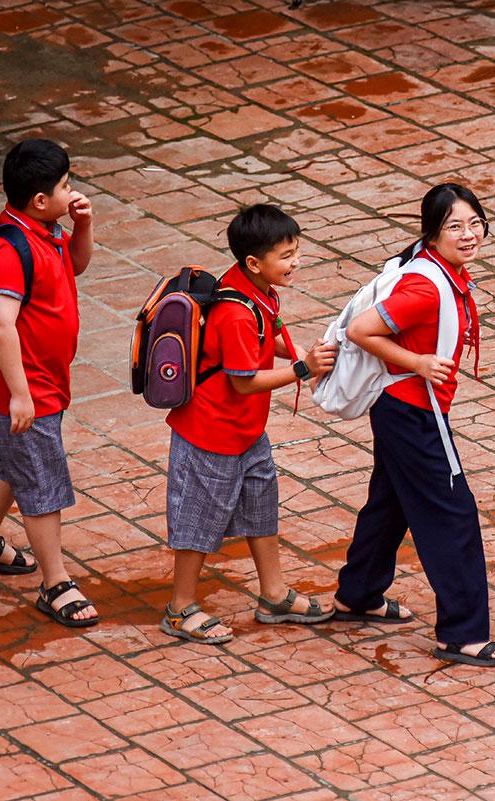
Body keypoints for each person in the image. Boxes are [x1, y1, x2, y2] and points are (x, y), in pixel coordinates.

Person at [334, 183, 495, 668]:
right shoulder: (425, 286)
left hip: (404, 411)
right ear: (432, 235)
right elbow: (361, 330)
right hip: (413, 413)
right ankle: (463, 633)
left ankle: (359, 594)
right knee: (452, 515)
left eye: (476, 223)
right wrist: (416, 362)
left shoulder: (442, 270)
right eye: (455, 226)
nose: (469, 234)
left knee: (391, 502)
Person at [160, 204, 336, 644]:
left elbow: (267, 339)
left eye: (296, 251)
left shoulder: (256, 288)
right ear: (255, 262)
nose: (295, 262)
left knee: (261, 504)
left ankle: (274, 594)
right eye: (286, 255)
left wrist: (305, 355)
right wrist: (302, 368)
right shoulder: (236, 311)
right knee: (199, 518)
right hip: (211, 432)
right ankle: (179, 608)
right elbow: (243, 383)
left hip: (245, 432)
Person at [0, 139, 98, 627]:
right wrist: (21, 393)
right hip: (25, 389)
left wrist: (83, 224)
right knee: (42, 481)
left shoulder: (47, 230)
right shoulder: (9, 250)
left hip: (44, 383)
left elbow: (76, 265)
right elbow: (0, 323)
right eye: (64, 186)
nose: (70, 191)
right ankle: (56, 583)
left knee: (12, 461)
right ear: (39, 199)